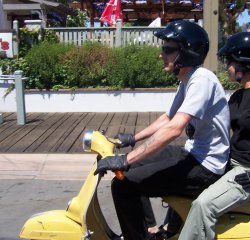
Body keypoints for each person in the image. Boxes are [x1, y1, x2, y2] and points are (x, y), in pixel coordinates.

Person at [93, 20, 230, 240]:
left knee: (123, 186)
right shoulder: (188, 80)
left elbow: (175, 128)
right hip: (193, 154)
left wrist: (126, 159)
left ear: (186, 53)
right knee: (125, 174)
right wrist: (131, 139)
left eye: (167, 49)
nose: (161, 54)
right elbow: (167, 118)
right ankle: (149, 230)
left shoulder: (202, 80)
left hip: (206, 166)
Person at [179, 32, 250, 239]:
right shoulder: (239, 96)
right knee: (182, 183)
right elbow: (219, 123)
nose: (226, 67)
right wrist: (195, 126)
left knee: (204, 205)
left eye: (229, 61)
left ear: (243, 64)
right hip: (232, 163)